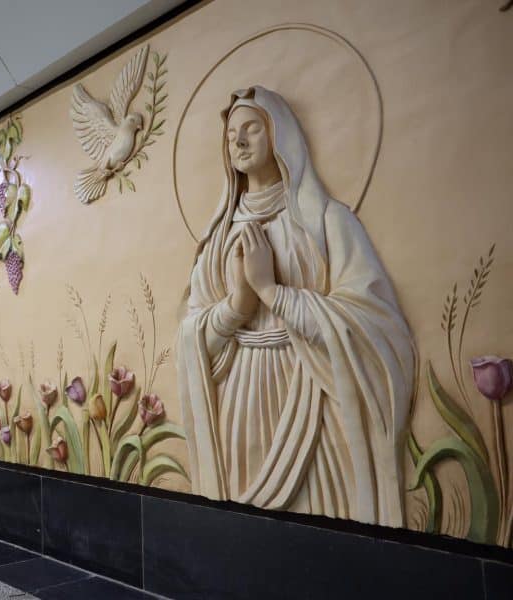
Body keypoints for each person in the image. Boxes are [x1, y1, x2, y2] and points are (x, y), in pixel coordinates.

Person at [175, 86, 415, 527]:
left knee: (323, 518)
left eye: (251, 129)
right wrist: (237, 305)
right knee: (242, 531)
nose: (238, 141)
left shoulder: (325, 221)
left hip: (308, 393)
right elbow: (192, 338)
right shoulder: (217, 238)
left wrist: (273, 292)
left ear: (279, 135)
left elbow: (373, 322)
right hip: (240, 403)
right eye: (230, 135)